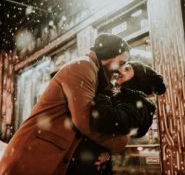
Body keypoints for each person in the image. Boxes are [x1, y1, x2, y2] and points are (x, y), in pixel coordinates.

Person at [0, 33, 130, 175]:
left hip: (43, 157)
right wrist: (118, 142)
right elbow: (84, 120)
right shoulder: (83, 67)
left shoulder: (94, 73)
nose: (121, 70)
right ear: (107, 55)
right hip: (32, 157)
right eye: (121, 63)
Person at [66, 61, 166, 175]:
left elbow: (107, 120)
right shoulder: (127, 100)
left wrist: (103, 93)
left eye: (127, 69)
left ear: (138, 79)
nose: (121, 70)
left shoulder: (137, 105)